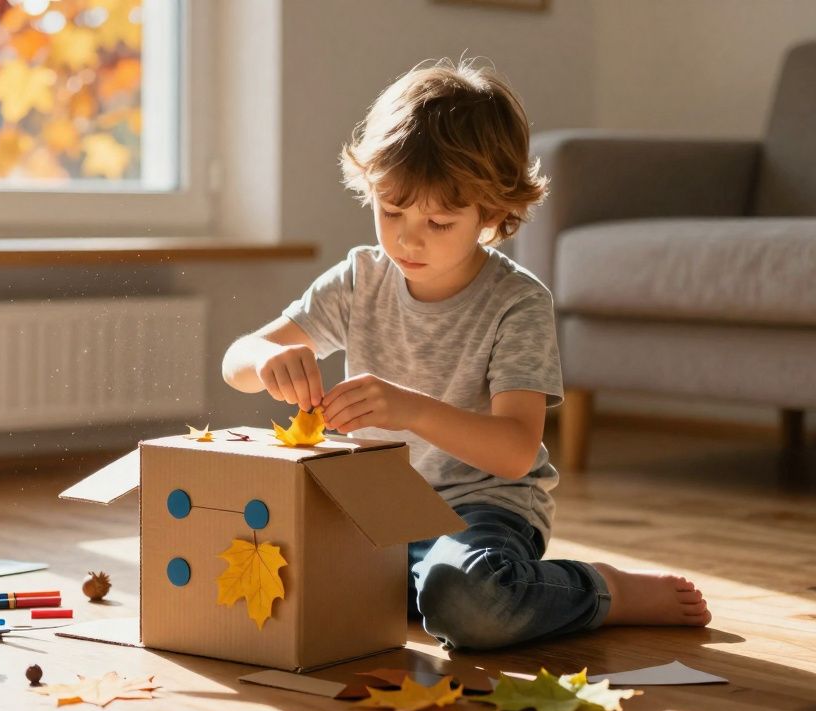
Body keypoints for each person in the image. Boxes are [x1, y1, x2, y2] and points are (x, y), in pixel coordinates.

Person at [221, 58, 711, 650]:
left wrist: (411, 409)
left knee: (472, 600)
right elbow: (237, 362)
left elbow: (513, 452)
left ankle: (603, 591)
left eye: (439, 221)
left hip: (480, 513)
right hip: (373, 513)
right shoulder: (360, 279)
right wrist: (264, 360)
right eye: (391, 212)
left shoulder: (518, 303)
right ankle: (414, 591)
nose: (406, 238)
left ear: (492, 215)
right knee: (264, 575)